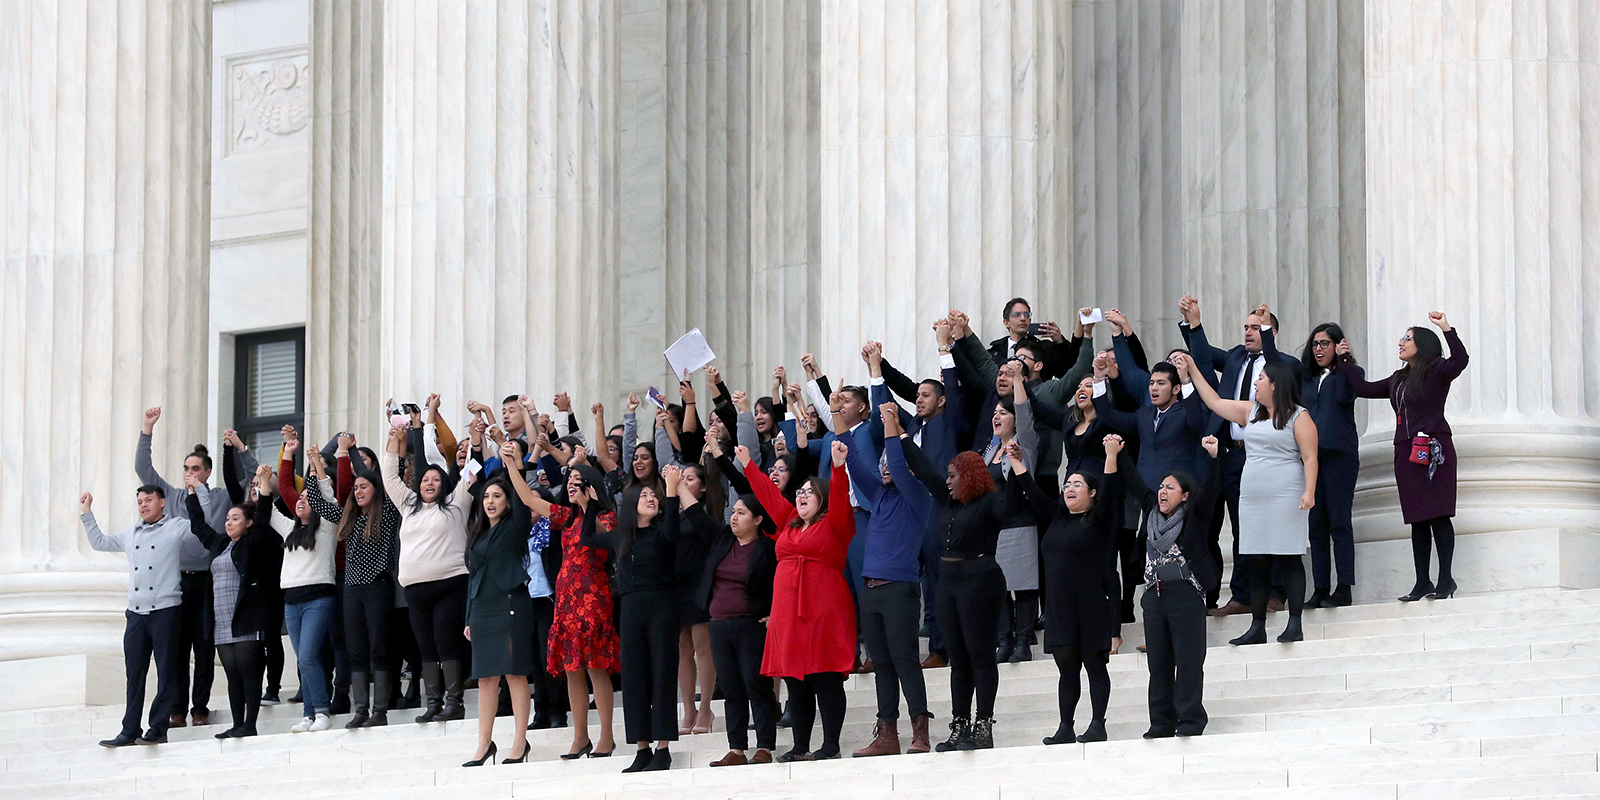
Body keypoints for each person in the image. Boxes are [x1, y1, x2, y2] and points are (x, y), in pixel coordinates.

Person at [1177, 354, 1318, 645]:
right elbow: (1214, 402)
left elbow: (1310, 456)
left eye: (1261, 378)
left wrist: (1310, 491)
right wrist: (1191, 370)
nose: (1256, 382)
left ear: (1276, 385)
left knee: (1289, 556)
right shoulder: (1250, 411)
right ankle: (1257, 626)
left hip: (1287, 492)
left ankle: (1295, 622)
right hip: (1253, 494)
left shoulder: (1298, 416)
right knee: (1256, 558)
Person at [1179, 298, 1301, 614]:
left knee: (1273, 524)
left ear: (1272, 331)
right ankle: (1242, 595)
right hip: (1234, 456)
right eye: (1245, 327)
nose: (1247, 332)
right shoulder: (1236, 358)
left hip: (1270, 457)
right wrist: (1194, 324)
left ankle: (1276, 593)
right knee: (1241, 525)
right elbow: (1204, 358)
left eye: (1255, 328)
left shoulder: (1286, 364)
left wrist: (1267, 335)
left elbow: (1279, 369)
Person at [1336, 312, 1469, 601]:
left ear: (1422, 344)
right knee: (1418, 518)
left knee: (1438, 515)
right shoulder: (1398, 379)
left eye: (1407, 339)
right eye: (1402, 338)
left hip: (1435, 452)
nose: (1401, 342)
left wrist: (1446, 328)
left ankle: (1446, 579)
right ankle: (1422, 581)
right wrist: (1345, 361)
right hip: (1407, 453)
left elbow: (1460, 360)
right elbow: (1364, 388)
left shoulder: (1437, 369)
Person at [738, 440, 856, 762]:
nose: (801, 495)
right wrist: (749, 464)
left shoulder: (835, 524)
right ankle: (801, 746)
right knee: (795, 681)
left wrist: (837, 467)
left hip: (823, 609)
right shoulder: (789, 521)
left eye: (809, 491)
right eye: (799, 491)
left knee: (825, 677)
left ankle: (830, 745)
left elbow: (841, 499)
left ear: (823, 500)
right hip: (788, 613)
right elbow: (767, 494)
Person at [1008, 435, 1123, 744]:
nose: (1069, 488)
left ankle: (1098, 723)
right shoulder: (1057, 517)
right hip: (1059, 608)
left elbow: (1111, 495)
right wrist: (1017, 461)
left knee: (1094, 667)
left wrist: (1110, 456)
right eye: (1067, 484)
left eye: (1077, 485)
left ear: (1092, 493)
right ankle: (1065, 726)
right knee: (1066, 670)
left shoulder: (1100, 520)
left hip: (1093, 606)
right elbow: (1031, 492)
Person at [843, 404, 937, 757]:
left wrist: (891, 424)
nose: (885, 467)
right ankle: (887, 734)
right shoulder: (879, 495)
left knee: (905, 660)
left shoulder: (917, 496)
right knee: (881, 663)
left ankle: (919, 731)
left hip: (900, 589)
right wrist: (837, 414)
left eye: (890, 463)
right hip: (871, 590)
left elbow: (898, 463)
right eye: (881, 462)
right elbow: (852, 460)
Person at [578, 468, 685, 773]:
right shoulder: (621, 537)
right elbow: (588, 538)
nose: (652, 498)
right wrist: (592, 507)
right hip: (630, 607)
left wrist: (673, 490)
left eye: (655, 495)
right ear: (631, 502)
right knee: (634, 677)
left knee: (663, 672)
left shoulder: (663, 530)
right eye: (645, 495)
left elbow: (675, 532)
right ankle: (641, 746)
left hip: (662, 605)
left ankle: (663, 747)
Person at [1120, 434, 1223, 738]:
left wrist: (1215, 458)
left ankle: (1190, 720)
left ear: (1185, 496)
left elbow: (1213, 490)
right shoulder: (1151, 512)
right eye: (1162, 487)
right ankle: (1161, 723)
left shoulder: (1195, 515)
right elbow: (1135, 481)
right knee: (1159, 663)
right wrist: (1121, 452)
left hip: (1186, 594)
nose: (1163, 492)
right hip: (1154, 596)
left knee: (1189, 661)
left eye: (1171, 488)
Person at [303, 432, 402, 728]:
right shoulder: (350, 518)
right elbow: (320, 505)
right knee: (356, 648)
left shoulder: (386, 514)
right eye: (355, 487)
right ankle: (361, 710)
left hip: (377, 586)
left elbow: (381, 481)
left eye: (363, 486)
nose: (358, 490)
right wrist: (314, 469)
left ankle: (380, 710)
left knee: (379, 648)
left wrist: (354, 450)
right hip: (352, 589)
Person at [135, 407, 226, 730]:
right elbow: (143, 468)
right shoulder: (170, 496)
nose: (189, 473)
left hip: (208, 581)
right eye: (186, 468)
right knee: (174, 648)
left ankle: (199, 707)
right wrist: (148, 428)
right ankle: (177, 708)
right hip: (175, 583)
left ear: (207, 472)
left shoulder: (219, 498)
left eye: (195, 469)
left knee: (203, 646)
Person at [81, 487, 192, 747]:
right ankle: (129, 729)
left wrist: (197, 493)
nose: (143, 505)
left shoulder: (177, 527)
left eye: (149, 500)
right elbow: (100, 542)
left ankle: (158, 728)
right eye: (140, 501)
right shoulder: (131, 533)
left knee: (166, 671)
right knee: (134, 674)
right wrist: (87, 513)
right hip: (136, 614)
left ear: (162, 502)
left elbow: (202, 524)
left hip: (166, 610)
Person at [382, 420, 476, 725]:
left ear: (444, 484)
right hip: (415, 591)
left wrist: (476, 438)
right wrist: (394, 442)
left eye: (436, 479)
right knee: (426, 646)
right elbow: (389, 476)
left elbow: (472, 470)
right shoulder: (408, 505)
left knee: (446, 641)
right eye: (425, 480)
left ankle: (454, 702)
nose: (430, 483)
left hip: (450, 585)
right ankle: (433, 702)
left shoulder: (457, 503)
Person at [183, 466, 284, 739]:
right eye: (227, 518)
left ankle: (249, 724)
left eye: (235, 518)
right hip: (221, 619)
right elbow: (198, 525)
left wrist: (264, 485)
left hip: (247, 617)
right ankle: (237, 723)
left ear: (247, 523)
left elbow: (263, 518)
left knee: (249, 672)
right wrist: (192, 492)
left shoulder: (255, 542)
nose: (228, 522)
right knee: (232, 675)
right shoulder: (219, 544)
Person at [460, 440, 537, 767]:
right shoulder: (476, 533)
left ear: (507, 503)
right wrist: (468, 617)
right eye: (487, 496)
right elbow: (473, 576)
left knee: (514, 674)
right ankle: (484, 744)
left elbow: (523, 497)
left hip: (511, 605)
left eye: (497, 496)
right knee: (486, 677)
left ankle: (520, 741)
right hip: (482, 610)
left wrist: (512, 466)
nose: (490, 501)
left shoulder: (515, 524)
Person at [927, 451, 1011, 752]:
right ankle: (960, 725)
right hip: (948, 582)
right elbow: (924, 470)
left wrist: (1016, 461)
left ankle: (983, 725)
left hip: (980, 579)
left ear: (969, 476)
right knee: (958, 658)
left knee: (980, 654)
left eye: (953, 475)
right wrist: (897, 433)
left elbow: (1012, 506)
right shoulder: (949, 501)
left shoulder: (991, 501)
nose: (947, 481)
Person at [545, 462, 621, 760]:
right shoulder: (566, 517)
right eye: (570, 481)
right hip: (566, 599)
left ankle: (606, 736)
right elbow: (528, 499)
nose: (572, 485)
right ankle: (580, 737)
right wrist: (512, 463)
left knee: (595, 666)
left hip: (593, 595)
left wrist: (588, 504)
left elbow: (608, 535)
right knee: (572, 668)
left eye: (579, 481)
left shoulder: (606, 515)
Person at [697, 493, 781, 767]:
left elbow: (780, 583)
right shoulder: (723, 541)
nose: (734, 517)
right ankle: (736, 748)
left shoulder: (767, 548)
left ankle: (765, 745)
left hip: (750, 625)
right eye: (733, 511)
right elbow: (694, 512)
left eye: (742, 513)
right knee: (731, 688)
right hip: (719, 625)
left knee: (756, 685)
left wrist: (774, 612)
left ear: (757, 520)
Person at [277, 431, 339, 733]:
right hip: (292, 601)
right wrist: (287, 453)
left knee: (311, 654)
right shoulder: (288, 527)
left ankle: (322, 711)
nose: (301, 500)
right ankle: (308, 713)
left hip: (318, 598)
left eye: (306, 497)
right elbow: (277, 495)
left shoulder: (327, 526)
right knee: (303, 659)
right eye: (299, 499)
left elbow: (327, 498)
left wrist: (317, 467)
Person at [980, 363, 1042, 663]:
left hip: (1020, 523)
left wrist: (1017, 379)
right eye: (995, 412)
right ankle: (1003, 641)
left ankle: (1022, 642)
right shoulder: (990, 450)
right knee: (1000, 589)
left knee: (1024, 584)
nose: (996, 416)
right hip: (995, 529)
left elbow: (1025, 413)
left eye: (1003, 413)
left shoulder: (1024, 443)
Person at [1300, 324, 1360, 607]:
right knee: (1316, 524)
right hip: (1312, 457)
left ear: (1337, 345)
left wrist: (1345, 361)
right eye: (1315, 344)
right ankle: (1321, 587)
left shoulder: (1348, 374)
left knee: (1339, 521)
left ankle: (1344, 587)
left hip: (1340, 455)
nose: (1319, 349)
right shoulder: (1307, 379)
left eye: (1325, 344)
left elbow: (1344, 397)